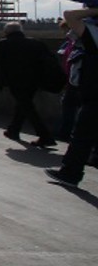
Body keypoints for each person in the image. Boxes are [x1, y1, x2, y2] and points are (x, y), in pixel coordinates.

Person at [47, 12, 98, 186]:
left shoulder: (93, 39)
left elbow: (70, 15)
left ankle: (70, 173)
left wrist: (93, 9)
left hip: (93, 95)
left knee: (83, 135)